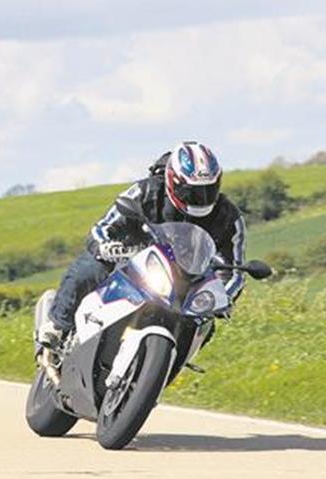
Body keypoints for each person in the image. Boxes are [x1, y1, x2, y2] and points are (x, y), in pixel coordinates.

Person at [37, 140, 247, 351]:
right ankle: (58, 326)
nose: (200, 199)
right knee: (90, 268)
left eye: (207, 190)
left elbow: (234, 271)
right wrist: (106, 246)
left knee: (204, 324)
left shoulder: (229, 216)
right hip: (131, 261)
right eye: (190, 191)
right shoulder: (145, 191)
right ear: (173, 181)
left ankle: (165, 370)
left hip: (186, 281)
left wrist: (223, 297)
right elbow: (102, 228)